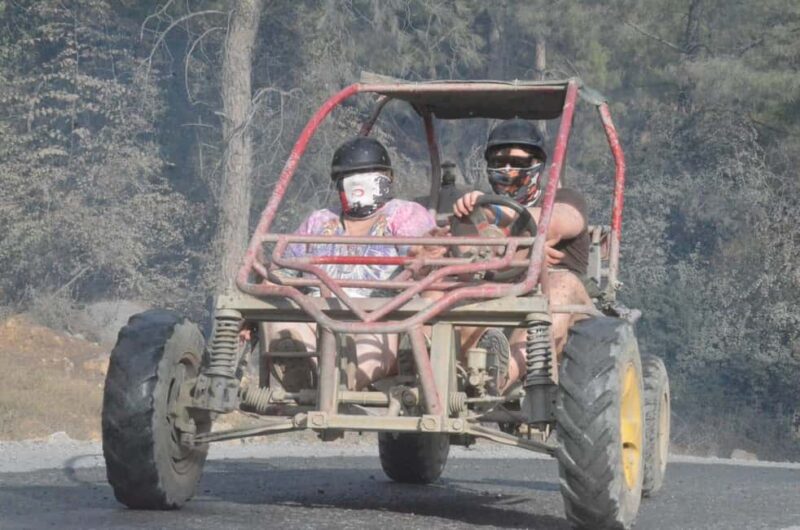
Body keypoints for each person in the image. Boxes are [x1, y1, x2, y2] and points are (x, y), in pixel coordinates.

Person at [267, 136, 439, 391]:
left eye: (368, 174)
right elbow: (283, 269)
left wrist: (423, 251)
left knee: (372, 344)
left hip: (378, 317)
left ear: (387, 178)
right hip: (316, 313)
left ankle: (340, 379)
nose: (359, 183)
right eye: (351, 176)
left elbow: (420, 254)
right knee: (279, 321)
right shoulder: (319, 221)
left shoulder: (402, 214)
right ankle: (303, 370)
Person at [452, 118, 593, 391]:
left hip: (565, 314)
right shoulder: (476, 212)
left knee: (559, 286)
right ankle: (431, 370)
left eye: (518, 163)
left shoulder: (565, 198)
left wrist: (493, 214)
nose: (507, 169)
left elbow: (560, 221)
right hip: (498, 301)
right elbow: (462, 255)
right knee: (449, 291)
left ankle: (497, 377)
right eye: (499, 161)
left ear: (537, 164)